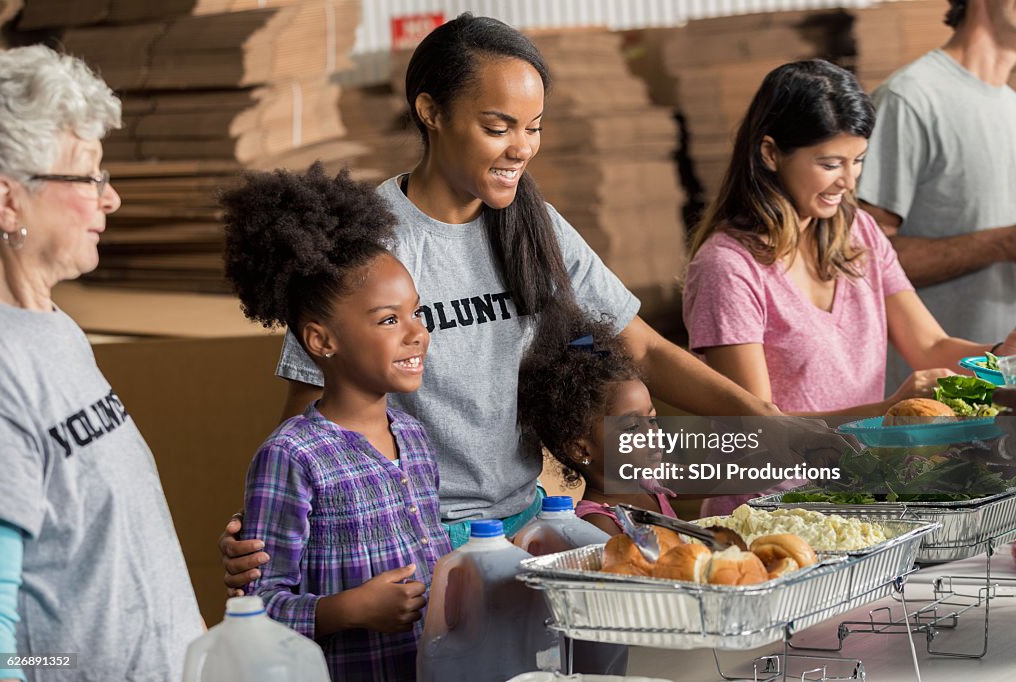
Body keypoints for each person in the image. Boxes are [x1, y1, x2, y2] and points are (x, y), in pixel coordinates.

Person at [219, 12, 813, 591]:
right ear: (431, 112)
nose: (522, 148)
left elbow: (648, 353)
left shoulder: (535, 227)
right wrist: (268, 532)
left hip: (527, 527)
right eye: (498, 127)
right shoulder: (371, 244)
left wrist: (769, 427)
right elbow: (308, 415)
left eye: (533, 127)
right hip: (412, 540)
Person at [0, 46, 202, 682]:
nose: (110, 199)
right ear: (7, 201)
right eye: (87, 178)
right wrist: (70, 667)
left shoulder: (54, 330)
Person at [683, 59, 1016, 420]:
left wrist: (1001, 356)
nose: (849, 181)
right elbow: (757, 426)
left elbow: (930, 346)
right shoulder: (727, 267)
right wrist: (886, 411)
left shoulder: (860, 232)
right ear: (770, 154)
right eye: (829, 164)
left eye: (857, 160)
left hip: (864, 475)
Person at [222, 165, 451, 681]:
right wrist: (347, 611)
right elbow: (254, 608)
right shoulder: (293, 456)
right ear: (322, 341)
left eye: (416, 313)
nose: (418, 333)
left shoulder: (413, 438)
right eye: (390, 319)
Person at [856, 0, 1016, 393]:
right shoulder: (910, 99)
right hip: (934, 410)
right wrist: (1001, 242)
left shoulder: (1010, 105)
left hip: (1001, 391)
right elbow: (860, 261)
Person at [516, 306, 678, 536]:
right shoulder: (598, 523)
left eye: (652, 420)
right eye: (632, 428)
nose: (652, 434)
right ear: (580, 448)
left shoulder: (650, 484)